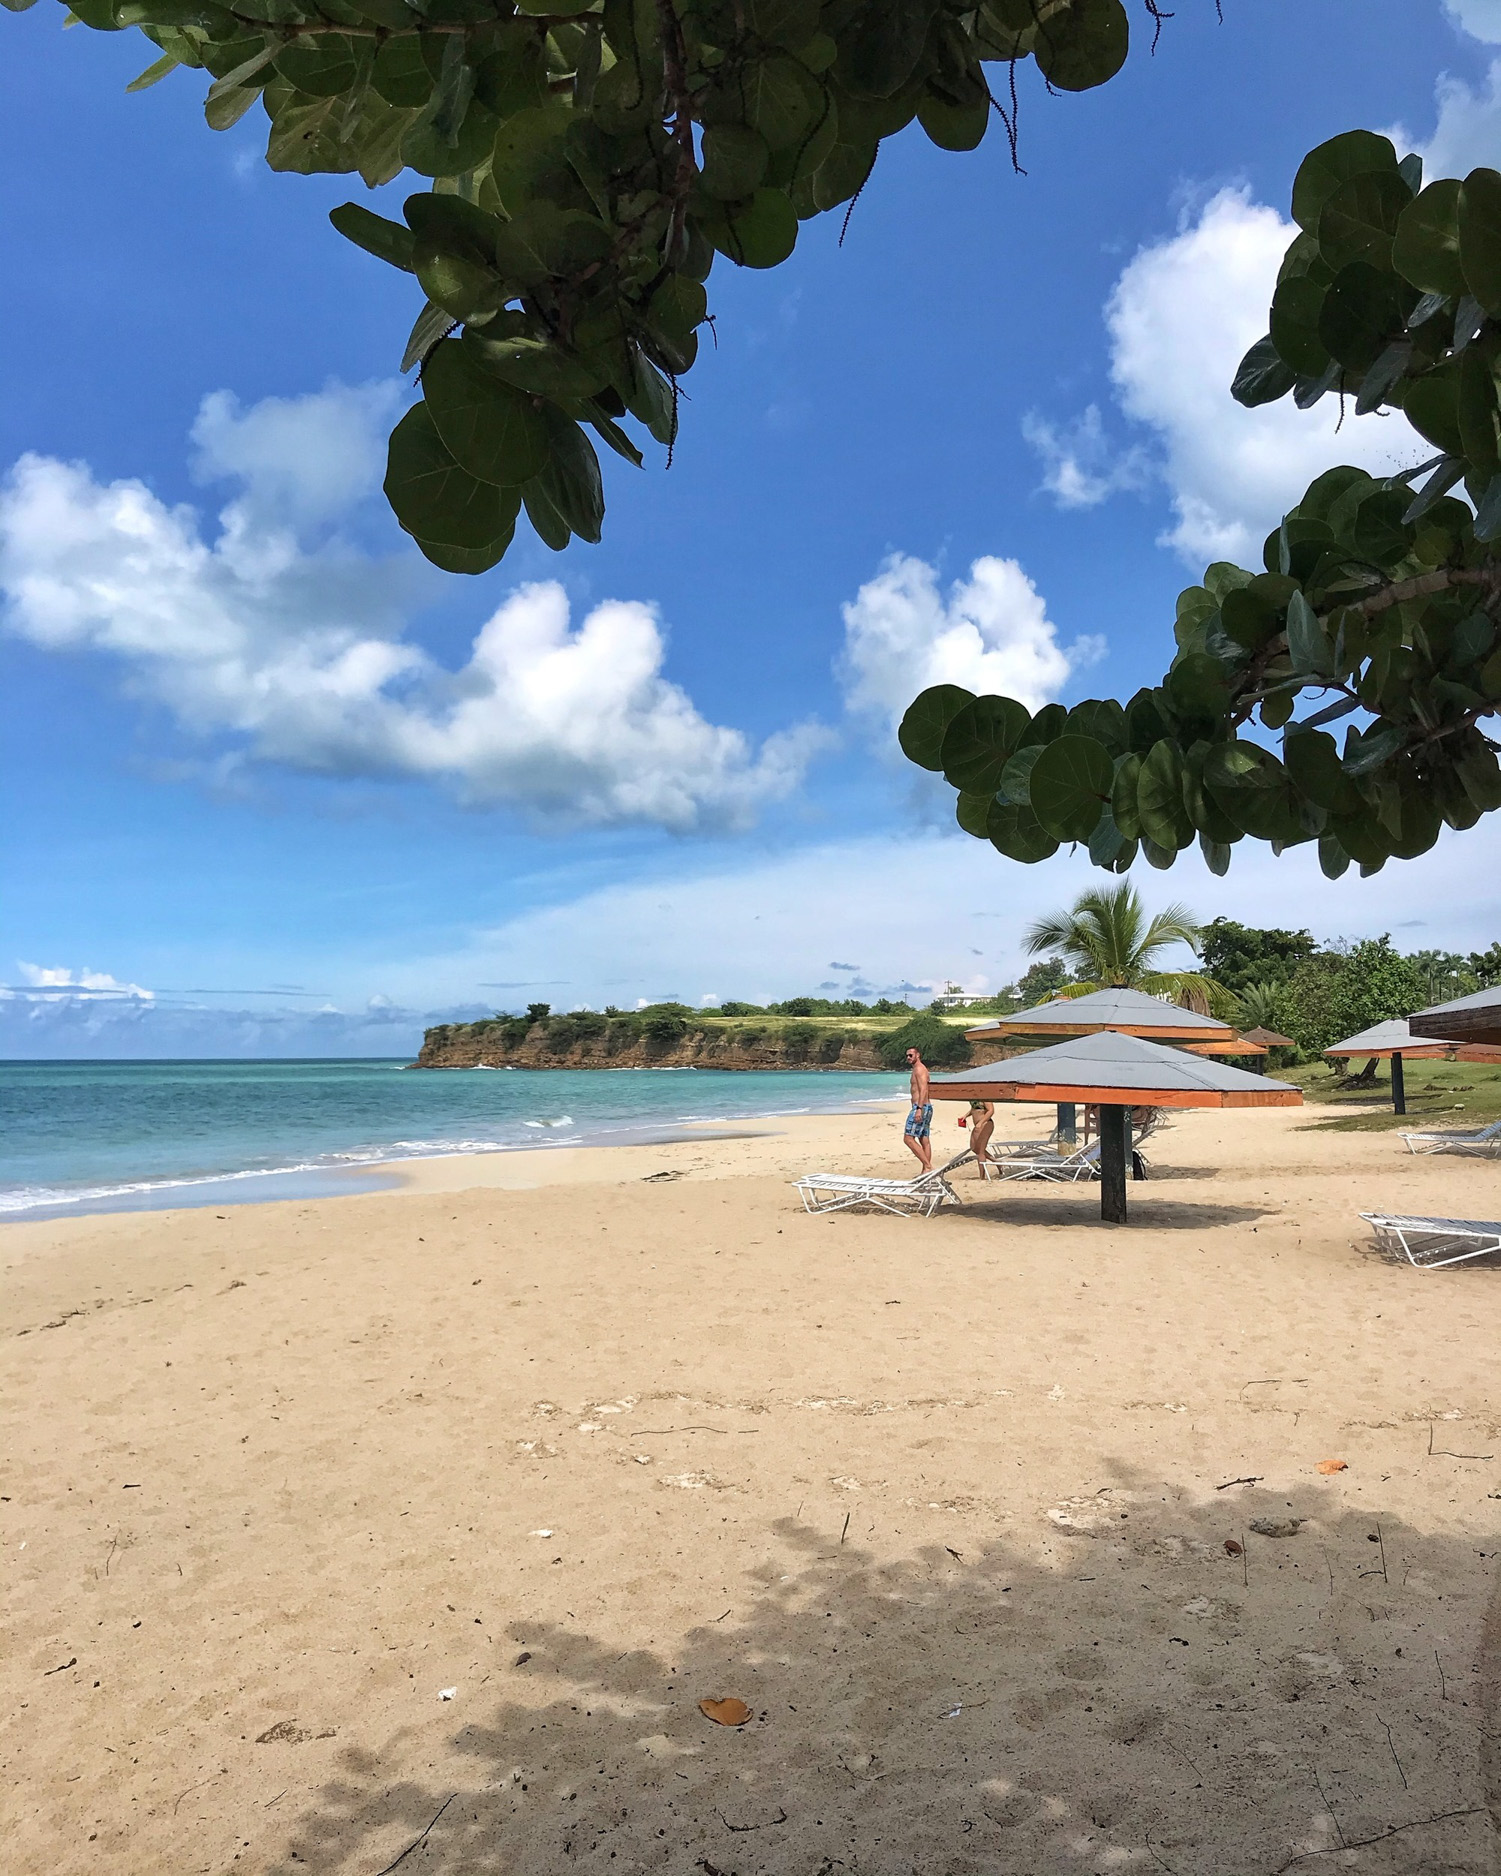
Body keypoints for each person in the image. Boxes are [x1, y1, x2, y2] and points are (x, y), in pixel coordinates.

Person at [903, 1046, 932, 1173]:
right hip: (925, 1107)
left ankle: (928, 1166)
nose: (908, 1058)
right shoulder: (918, 1069)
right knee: (924, 1139)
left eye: (911, 1055)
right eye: (907, 1056)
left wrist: (919, 1108)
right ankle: (925, 1171)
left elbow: (923, 1089)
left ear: (918, 1055)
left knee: (908, 1138)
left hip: (921, 1107)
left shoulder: (919, 1069)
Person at [965, 1098, 995, 1178]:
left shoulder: (985, 1097)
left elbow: (991, 1110)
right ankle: (996, 1161)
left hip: (985, 1124)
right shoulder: (975, 1096)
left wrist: (981, 1122)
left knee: (980, 1151)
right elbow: (974, 1109)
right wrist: (965, 1116)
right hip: (978, 1125)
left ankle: (982, 1176)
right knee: (974, 1147)